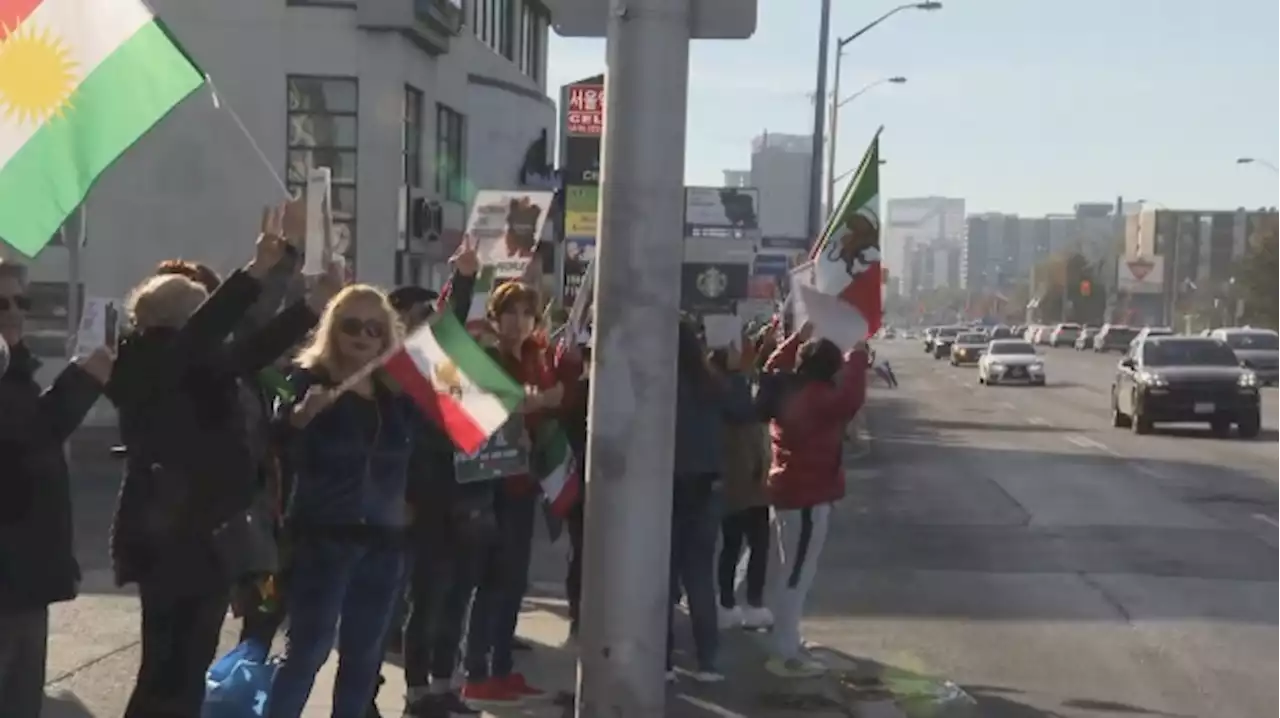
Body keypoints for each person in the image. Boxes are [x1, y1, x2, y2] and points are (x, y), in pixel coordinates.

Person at [107, 210, 318, 718]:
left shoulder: (192, 362)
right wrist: (257, 269)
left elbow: (248, 351)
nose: (219, 332)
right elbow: (213, 340)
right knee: (168, 664)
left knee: (186, 659)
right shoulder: (152, 360)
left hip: (201, 532)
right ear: (179, 322)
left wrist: (309, 306)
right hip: (172, 534)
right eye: (203, 315)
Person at [266, 284, 417, 718]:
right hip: (324, 540)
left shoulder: (395, 395)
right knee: (307, 652)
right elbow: (276, 440)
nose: (363, 335)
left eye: (375, 328)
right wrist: (299, 419)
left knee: (364, 659)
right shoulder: (308, 380)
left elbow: (422, 447)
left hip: (385, 543)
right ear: (333, 328)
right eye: (352, 324)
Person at [0, 258, 113, 718]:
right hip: (9, 577)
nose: (12, 311)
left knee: (22, 701)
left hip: (25, 576)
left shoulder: (16, 372)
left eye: (19, 301)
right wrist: (84, 381)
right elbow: (20, 440)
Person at [461, 281, 581, 706]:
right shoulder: (487, 355)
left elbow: (554, 397)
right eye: (510, 312)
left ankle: (501, 669)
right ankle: (477, 672)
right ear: (495, 315)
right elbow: (500, 404)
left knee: (513, 580)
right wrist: (537, 399)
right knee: (493, 580)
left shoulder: (535, 354)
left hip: (527, 478)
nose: (519, 321)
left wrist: (552, 389)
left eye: (526, 313)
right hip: (494, 480)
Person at [388, 244, 487, 718]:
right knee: (424, 599)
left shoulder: (454, 370)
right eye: (422, 316)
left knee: (455, 598)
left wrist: (465, 278)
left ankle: (446, 687)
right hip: (419, 500)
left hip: (461, 497)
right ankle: (416, 693)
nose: (433, 325)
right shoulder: (394, 371)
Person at [761, 322, 867, 679]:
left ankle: (785, 638)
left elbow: (772, 367)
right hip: (809, 496)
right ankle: (785, 651)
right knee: (798, 575)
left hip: (787, 490)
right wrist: (858, 353)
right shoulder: (821, 398)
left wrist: (796, 338)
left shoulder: (784, 389)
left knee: (787, 568)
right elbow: (851, 397)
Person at [666, 318, 756, 683]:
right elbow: (745, 412)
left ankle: (664, 661)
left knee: (664, 576)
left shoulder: (659, 383)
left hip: (667, 484)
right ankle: (707, 661)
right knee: (700, 576)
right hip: (707, 487)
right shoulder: (712, 381)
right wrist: (735, 371)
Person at [711, 346, 774, 631]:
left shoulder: (715, 397)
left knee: (733, 546)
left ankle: (727, 603)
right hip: (751, 484)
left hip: (734, 485)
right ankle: (752, 603)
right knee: (756, 545)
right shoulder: (740, 396)